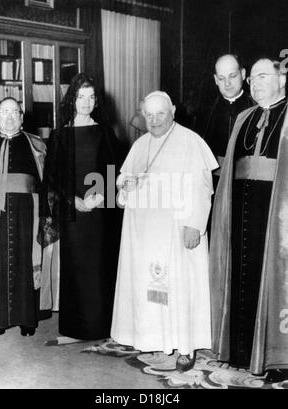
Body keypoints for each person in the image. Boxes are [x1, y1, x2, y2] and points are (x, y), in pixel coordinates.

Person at [111, 91, 218, 371]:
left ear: (172, 111)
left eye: (160, 113)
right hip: (147, 236)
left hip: (177, 233)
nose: (155, 120)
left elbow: (202, 188)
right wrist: (125, 187)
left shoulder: (191, 142)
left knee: (179, 289)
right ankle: (157, 339)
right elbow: (122, 186)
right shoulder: (140, 144)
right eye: (149, 115)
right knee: (155, 289)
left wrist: (195, 224)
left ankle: (185, 346)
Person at [210, 58, 288, 381]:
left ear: (282, 80)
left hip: (276, 214)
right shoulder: (244, 117)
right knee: (242, 275)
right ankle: (241, 352)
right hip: (241, 209)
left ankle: (278, 360)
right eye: (252, 78)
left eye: (263, 76)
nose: (255, 83)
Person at [40, 73, 122, 342]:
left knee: (100, 266)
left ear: (96, 100)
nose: (86, 102)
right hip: (72, 211)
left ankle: (100, 327)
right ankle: (76, 329)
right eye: (81, 97)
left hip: (99, 212)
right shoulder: (60, 135)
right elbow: (52, 177)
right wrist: (72, 200)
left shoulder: (105, 131)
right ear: (72, 100)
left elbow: (113, 171)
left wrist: (98, 198)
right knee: (75, 267)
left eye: (91, 97)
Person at [0, 97, 46, 336]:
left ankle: (27, 320)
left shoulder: (36, 145)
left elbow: (46, 181)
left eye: (15, 112)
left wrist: (46, 213)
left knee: (25, 260)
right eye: (5, 112)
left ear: (22, 117)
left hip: (26, 211)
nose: (10, 116)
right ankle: (0, 320)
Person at [202, 54, 253, 186]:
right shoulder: (206, 111)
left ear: (242, 74)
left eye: (232, 76)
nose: (227, 83)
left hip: (247, 184)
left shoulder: (256, 107)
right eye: (221, 78)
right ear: (215, 80)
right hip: (214, 184)